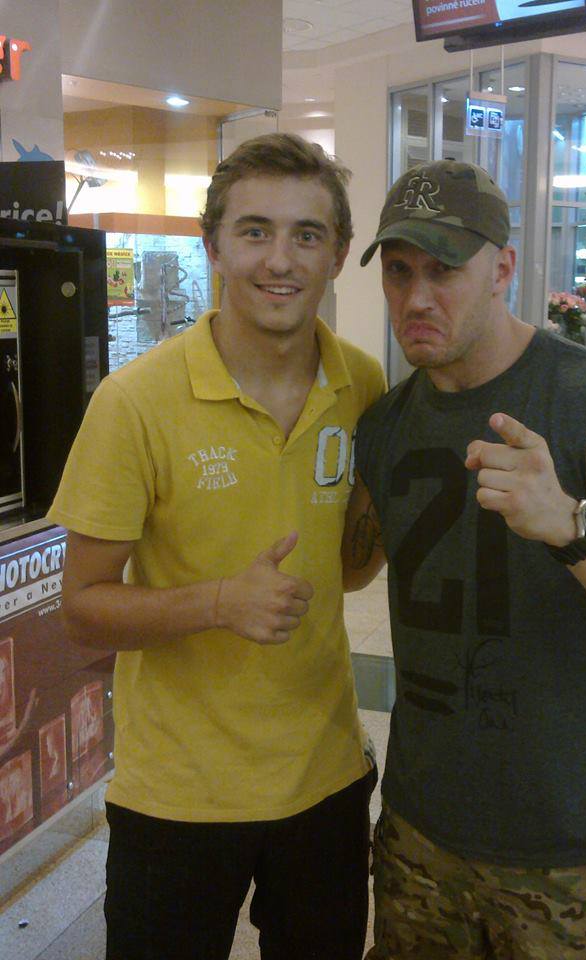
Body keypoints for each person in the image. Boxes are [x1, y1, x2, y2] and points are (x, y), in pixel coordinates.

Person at [342, 159, 586, 959]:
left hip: (570, 857)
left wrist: (572, 524)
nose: (416, 298)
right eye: (399, 271)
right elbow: (350, 567)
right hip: (418, 835)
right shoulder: (386, 423)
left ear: (503, 269)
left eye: (444, 270)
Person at [48, 132, 386, 960]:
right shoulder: (135, 401)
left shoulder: (363, 386)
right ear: (214, 246)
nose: (281, 259)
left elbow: (347, 568)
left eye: (307, 234)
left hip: (325, 782)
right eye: (255, 231)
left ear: (339, 253)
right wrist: (220, 603)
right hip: (177, 797)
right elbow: (82, 611)